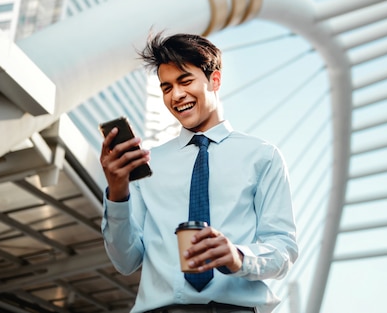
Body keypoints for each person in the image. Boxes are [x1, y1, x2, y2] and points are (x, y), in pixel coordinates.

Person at [99, 33, 298, 313]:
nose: (176, 95)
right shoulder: (148, 163)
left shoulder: (263, 157)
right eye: (166, 87)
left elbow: (283, 248)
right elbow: (126, 261)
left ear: (214, 80)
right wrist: (118, 193)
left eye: (185, 81)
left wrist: (238, 256)